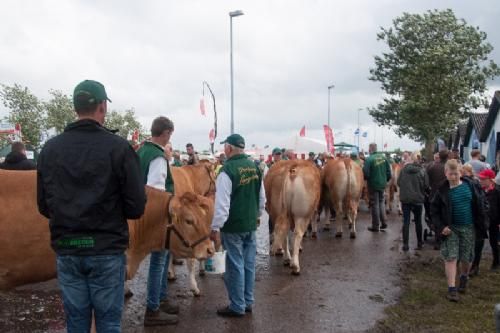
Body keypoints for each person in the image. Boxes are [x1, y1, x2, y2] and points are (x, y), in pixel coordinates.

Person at [37, 80, 146, 332]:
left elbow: (43, 205)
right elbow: (136, 206)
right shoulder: (119, 148)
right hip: (106, 250)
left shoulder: (50, 149)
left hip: (68, 248)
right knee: (108, 323)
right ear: (102, 106)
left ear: (75, 107)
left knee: (76, 322)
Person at [210, 134, 265, 317]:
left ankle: (237, 305)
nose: (224, 149)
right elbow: (261, 198)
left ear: (229, 148)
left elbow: (222, 205)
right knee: (249, 264)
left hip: (232, 226)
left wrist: (215, 227)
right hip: (250, 224)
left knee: (235, 265)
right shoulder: (255, 167)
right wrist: (256, 215)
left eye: (225, 146)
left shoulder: (227, 170)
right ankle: (248, 301)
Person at [136, 116, 179, 326]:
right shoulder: (158, 157)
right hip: (158, 216)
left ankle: (160, 299)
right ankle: (153, 308)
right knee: (158, 261)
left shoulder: (142, 150)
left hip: (144, 214)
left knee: (160, 260)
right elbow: (157, 192)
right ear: (166, 133)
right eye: (170, 133)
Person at [430, 159, 487, 302]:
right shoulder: (442, 190)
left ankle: (464, 276)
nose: (454, 177)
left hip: (468, 227)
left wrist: (483, 220)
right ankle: (452, 289)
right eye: (451, 174)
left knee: (466, 257)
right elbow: (434, 210)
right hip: (451, 228)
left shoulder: (470, 186)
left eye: (456, 174)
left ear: (460, 173)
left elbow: (480, 203)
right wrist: (442, 227)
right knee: (451, 257)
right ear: (445, 173)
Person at [397, 152, 429, 251]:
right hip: (418, 200)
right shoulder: (422, 171)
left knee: (406, 221)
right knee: (418, 221)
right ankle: (419, 243)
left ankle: (405, 244)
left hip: (405, 200)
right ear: (418, 160)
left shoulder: (403, 170)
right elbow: (426, 185)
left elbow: (398, 183)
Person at [363, 143, 392, 232]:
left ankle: (375, 225)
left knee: (374, 204)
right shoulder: (384, 158)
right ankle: (384, 222)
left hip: (373, 184)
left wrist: (368, 180)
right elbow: (389, 173)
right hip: (382, 184)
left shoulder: (369, 159)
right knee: (381, 202)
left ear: (370, 149)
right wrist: (384, 180)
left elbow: (366, 173)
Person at [477, 169, 500, 272]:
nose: (480, 180)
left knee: (493, 242)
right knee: (478, 242)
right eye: (480, 178)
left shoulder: (497, 192)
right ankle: (475, 265)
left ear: (490, 180)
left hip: (494, 221)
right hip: (482, 221)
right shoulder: (479, 191)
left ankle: (496, 262)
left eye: (483, 179)